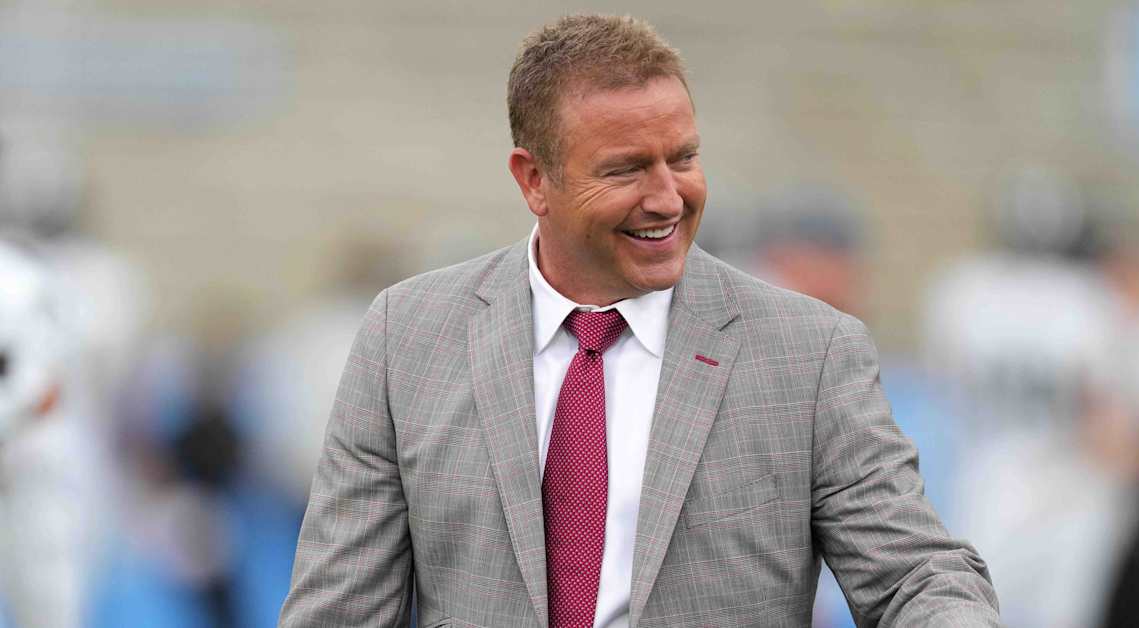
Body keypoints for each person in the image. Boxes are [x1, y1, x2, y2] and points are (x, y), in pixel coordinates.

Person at [279, 14, 999, 628]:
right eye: (625, 169)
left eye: (683, 158)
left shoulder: (810, 353)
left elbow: (915, 575)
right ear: (534, 180)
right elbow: (340, 607)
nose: (668, 198)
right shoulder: (407, 337)